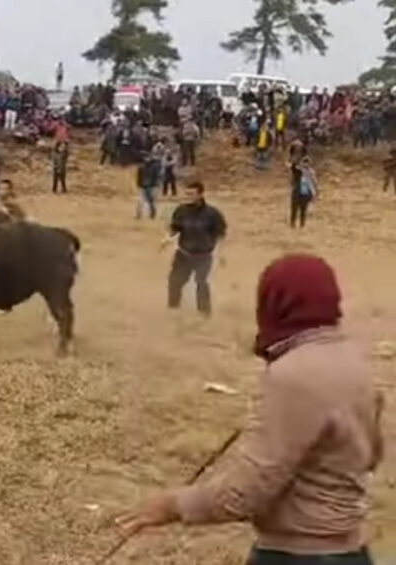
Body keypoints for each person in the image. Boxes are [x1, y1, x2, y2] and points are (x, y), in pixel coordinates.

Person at [116, 253, 384, 565]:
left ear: (275, 302)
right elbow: (370, 456)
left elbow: (244, 494)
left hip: (296, 556)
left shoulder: (293, 375)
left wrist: (173, 505)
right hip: (352, 553)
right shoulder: (355, 363)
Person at [162, 181, 227, 316]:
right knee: (175, 282)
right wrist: (167, 239)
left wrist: (221, 254)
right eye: (187, 194)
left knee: (201, 283)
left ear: (200, 195)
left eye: (191, 194)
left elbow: (221, 234)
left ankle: (204, 314)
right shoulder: (181, 211)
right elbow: (175, 229)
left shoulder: (212, 214)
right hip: (183, 254)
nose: (188, 197)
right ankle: (173, 310)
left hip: (203, 255)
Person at [290, 156, 318, 229]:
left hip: (305, 193)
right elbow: (293, 168)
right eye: (304, 163)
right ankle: (292, 223)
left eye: (307, 163)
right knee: (294, 209)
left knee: (303, 209)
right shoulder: (298, 171)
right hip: (297, 192)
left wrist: (314, 192)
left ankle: (302, 224)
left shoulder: (311, 172)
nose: (306, 165)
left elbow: (314, 182)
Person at [136, 152, 160, 220]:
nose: (147, 159)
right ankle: (139, 215)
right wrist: (139, 185)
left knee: (152, 202)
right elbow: (139, 177)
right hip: (143, 187)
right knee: (140, 201)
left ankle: (153, 215)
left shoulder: (154, 168)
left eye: (148, 157)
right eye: (146, 158)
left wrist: (156, 186)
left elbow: (156, 177)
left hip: (152, 187)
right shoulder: (141, 168)